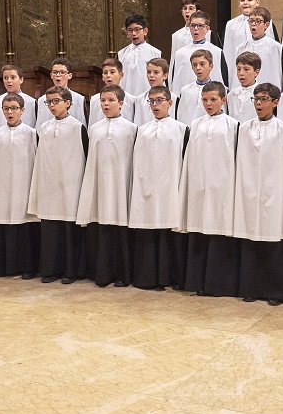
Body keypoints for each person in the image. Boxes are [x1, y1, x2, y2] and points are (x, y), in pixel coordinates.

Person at [233, 83, 283, 305]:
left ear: (275, 102)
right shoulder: (244, 128)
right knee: (250, 238)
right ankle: (251, 287)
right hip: (249, 190)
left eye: (264, 99)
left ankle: (276, 291)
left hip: (275, 190)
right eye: (256, 99)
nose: (259, 103)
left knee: (273, 239)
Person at [179, 81, 240, 296]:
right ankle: (197, 281)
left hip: (223, 186)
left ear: (223, 100)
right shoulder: (195, 125)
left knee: (219, 231)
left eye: (213, 99)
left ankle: (219, 284)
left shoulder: (233, 125)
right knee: (199, 229)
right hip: (199, 186)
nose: (208, 103)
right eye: (204, 100)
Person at [128, 86, 189, 290]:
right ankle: (147, 277)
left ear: (170, 103)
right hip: (147, 188)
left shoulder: (181, 129)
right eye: (151, 101)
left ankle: (170, 277)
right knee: (148, 229)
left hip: (171, 186)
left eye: (160, 100)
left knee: (169, 229)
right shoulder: (142, 130)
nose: (155, 105)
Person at [78, 85, 138, 288]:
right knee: (101, 227)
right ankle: (101, 274)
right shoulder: (94, 129)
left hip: (121, 185)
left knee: (121, 229)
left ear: (121, 103)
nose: (106, 104)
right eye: (103, 100)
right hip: (100, 187)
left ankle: (123, 274)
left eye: (111, 100)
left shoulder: (131, 129)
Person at [27, 86, 89, 284]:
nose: (52, 106)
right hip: (48, 185)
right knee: (50, 230)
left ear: (68, 103)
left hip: (70, 185)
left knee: (69, 231)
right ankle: (50, 270)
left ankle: (70, 270)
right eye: (49, 102)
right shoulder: (44, 128)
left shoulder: (77, 127)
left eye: (56, 101)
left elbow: (84, 156)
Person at [0, 94, 40, 279]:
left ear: (22, 110)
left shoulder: (31, 133)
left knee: (24, 225)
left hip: (24, 185)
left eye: (14, 108)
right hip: (2, 187)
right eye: (6, 108)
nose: (10, 112)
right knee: (2, 222)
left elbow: (35, 161)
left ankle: (27, 267)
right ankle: (1, 267)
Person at [228, 6, 283, 89]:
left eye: (258, 21)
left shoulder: (276, 48)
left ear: (266, 25)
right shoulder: (241, 48)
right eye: (251, 21)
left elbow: (279, 74)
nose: (253, 24)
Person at [222, 0, 277, 71]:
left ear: (257, 2)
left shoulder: (267, 23)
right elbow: (227, 52)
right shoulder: (231, 25)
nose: (245, 3)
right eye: (242, 0)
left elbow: (273, 50)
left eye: (250, 0)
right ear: (238, 3)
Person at [170, 10, 226, 92]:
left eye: (200, 26)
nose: (196, 29)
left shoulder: (217, 52)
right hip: (188, 97)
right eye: (193, 25)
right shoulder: (180, 54)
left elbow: (222, 78)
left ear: (207, 29)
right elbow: (176, 83)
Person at [174, 49, 224, 125]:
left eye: (202, 64)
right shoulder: (185, 90)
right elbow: (181, 115)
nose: (198, 68)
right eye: (194, 65)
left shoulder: (220, 89)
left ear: (211, 66)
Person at [118, 13, 162, 97]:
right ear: (127, 33)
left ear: (145, 31)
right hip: (126, 97)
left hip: (149, 97)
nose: (134, 33)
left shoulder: (156, 53)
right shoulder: (121, 54)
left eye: (137, 29)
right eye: (130, 30)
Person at [36, 58, 87, 125]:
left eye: (62, 72)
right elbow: (40, 126)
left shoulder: (79, 99)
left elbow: (81, 124)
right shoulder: (42, 100)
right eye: (55, 72)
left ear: (70, 76)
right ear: (51, 75)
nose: (58, 75)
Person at [88, 57, 137, 127]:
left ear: (121, 75)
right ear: (102, 77)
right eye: (105, 73)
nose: (108, 75)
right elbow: (92, 124)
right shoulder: (94, 100)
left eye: (112, 72)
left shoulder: (131, 100)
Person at [0, 64, 36, 131]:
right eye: (5, 78)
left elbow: (34, 124)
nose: (9, 81)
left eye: (13, 77)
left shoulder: (31, 102)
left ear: (21, 79)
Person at [170, 0, 216, 64]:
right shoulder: (176, 35)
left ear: (198, 11)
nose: (187, 11)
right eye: (185, 9)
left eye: (191, 8)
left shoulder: (208, 33)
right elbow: (173, 60)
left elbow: (214, 56)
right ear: (182, 12)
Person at [133, 57, 172, 126]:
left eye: (156, 72)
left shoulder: (173, 98)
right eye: (149, 72)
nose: (151, 75)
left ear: (165, 76)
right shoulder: (140, 99)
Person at [227, 52, 263, 123]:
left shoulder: (261, 95)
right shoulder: (231, 95)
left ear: (256, 72)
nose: (241, 73)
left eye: (246, 69)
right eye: (238, 69)